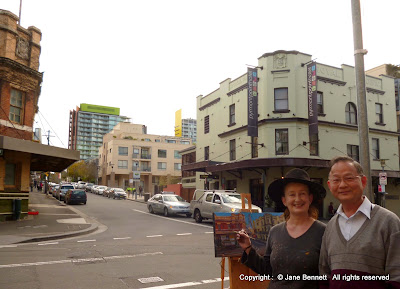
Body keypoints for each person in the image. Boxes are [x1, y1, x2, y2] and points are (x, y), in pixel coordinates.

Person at [237, 168, 327, 289]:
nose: (297, 199)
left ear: (310, 198)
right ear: (284, 200)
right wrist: (248, 248)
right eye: (292, 194)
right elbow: (268, 270)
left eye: (302, 194)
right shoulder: (275, 231)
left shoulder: (323, 232)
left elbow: (328, 275)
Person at [319, 156, 400, 288]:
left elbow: (397, 277)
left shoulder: (388, 222)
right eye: (336, 180)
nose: (342, 185)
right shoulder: (330, 227)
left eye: (349, 178)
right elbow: (324, 275)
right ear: (329, 185)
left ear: (363, 181)